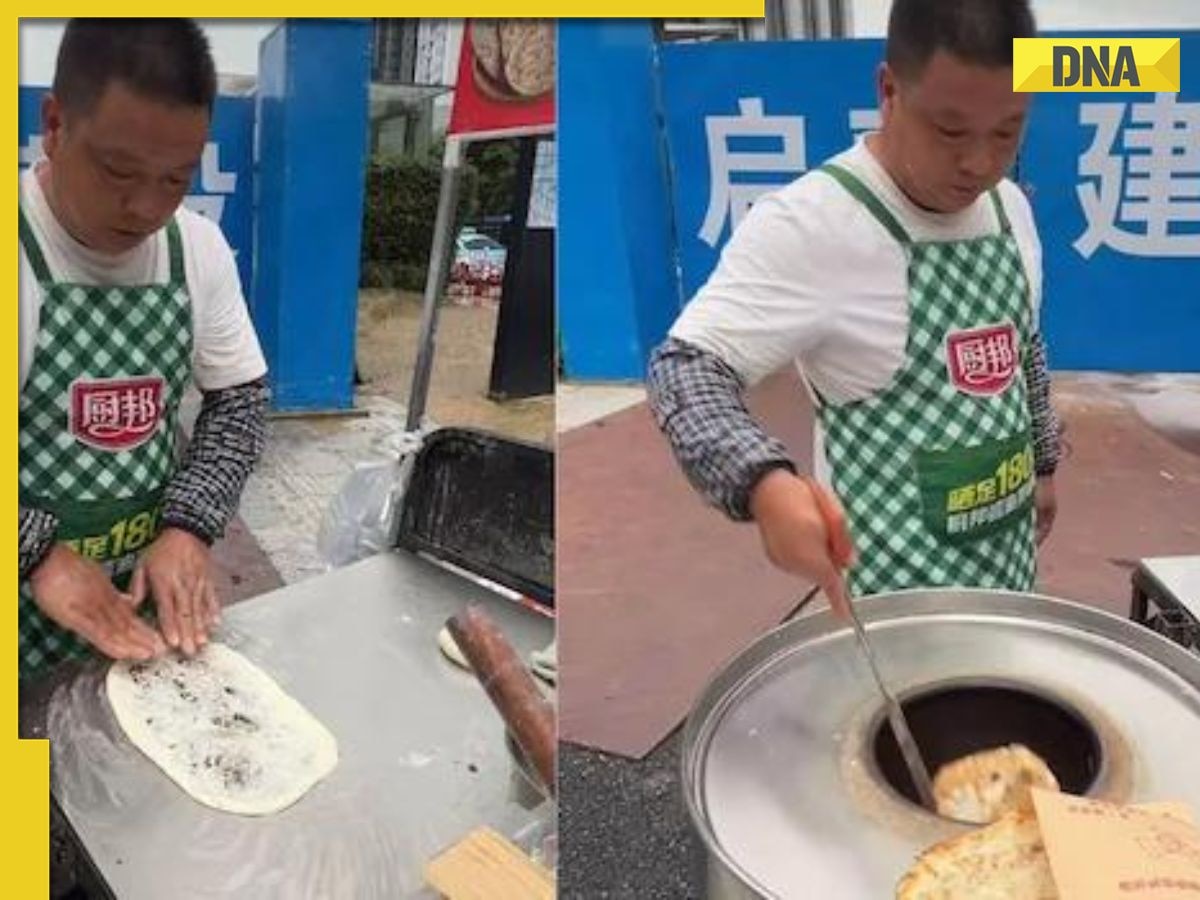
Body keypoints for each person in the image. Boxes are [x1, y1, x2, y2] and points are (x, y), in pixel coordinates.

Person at [648, 0, 1062, 615]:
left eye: (1006, 130)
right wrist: (764, 483)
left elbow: (1023, 345)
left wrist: (1044, 461)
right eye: (950, 131)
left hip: (1008, 585)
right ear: (888, 89)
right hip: (885, 610)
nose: (979, 162)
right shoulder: (815, 225)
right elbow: (684, 369)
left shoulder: (1011, 211)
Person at [18, 19, 269, 682]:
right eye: (118, 170)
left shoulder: (199, 250)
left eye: (176, 179)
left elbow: (238, 406)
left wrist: (189, 526)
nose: (144, 207)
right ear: (55, 122)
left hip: (136, 626)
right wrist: (36, 552)